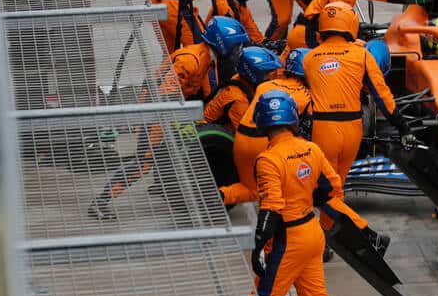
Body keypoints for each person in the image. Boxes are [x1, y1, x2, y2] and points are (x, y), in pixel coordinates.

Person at [206, 90, 387, 296]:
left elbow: (271, 208)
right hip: (313, 233)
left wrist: (258, 247)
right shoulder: (311, 149)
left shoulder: (268, 159)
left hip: (288, 239)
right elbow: (332, 187)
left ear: (263, 122)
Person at [88, 17, 250, 220]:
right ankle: (100, 202)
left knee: (166, 150)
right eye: (235, 47)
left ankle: (162, 185)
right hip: (155, 112)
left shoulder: (205, 58)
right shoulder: (192, 61)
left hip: (164, 112)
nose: (237, 52)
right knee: (143, 163)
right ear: (222, 43)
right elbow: (165, 95)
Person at [304, 3, 414, 220]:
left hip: (323, 129)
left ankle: (322, 235)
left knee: (322, 186)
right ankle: (331, 233)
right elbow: (382, 95)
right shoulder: (362, 55)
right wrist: (403, 127)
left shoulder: (309, 59)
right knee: (338, 186)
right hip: (353, 129)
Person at [222, 47, 313, 207]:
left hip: (242, 139)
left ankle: (216, 197)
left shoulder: (265, 85)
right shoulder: (307, 96)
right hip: (265, 144)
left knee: (250, 189)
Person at [203, 46, 282, 131]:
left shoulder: (240, 78)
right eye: (267, 73)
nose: (270, 77)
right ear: (254, 74)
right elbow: (246, 132)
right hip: (210, 134)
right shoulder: (239, 100)